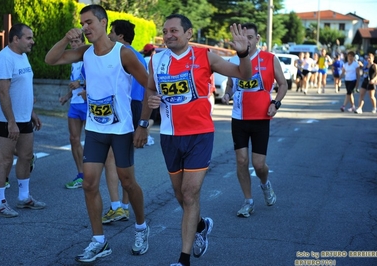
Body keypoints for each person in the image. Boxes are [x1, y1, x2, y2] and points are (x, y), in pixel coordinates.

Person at [134, 14, 252, 266]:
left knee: (189, 194)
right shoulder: (157, 58)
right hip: (169, 136)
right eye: (165, 31)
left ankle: (183, 259)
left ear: (189, 34)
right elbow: (151, 90)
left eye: (174, 30)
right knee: (180, 195)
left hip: (199, 135)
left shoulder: (204, 56)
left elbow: (243, 74)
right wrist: (144, 122)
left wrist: (244, 54)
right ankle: (200, 225)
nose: (168, 35)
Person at [45, 5, 149, 263]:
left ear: (103, 22)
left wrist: (143, 124)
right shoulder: (85, 53)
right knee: (90, 183)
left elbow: (149, 85)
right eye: (82, 23)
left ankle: (140, 227)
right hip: (95, 129)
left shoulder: (123, 54)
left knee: (128, 182)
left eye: (89, 22)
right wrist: (65, 39)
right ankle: (99, 241)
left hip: (121, 129)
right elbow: (51, 59)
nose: (85, 27)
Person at [222, 22, 287, 219]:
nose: (246, 41)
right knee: (241, 161)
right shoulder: (235, 60)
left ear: (257, 39)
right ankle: (248, 201)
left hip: (261, 118)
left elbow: (283, 84)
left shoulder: (269, 59)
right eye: (242, 37)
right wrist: (226, 95)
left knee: (258, 165)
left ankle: (265, 184)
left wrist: (275, 103)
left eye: (250, 37)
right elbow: (231, 86)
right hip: (239, 117)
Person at [0, 23, 46, 218]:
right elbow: (3, 92)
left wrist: (31, 112)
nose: (32, 41)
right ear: (15, 39)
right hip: (7, 118)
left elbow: (23, 90)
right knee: (4, 159)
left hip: (23, 116)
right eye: (28, 38)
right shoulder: (4, 58)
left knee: (26, 156)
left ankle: (23, 198)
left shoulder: (23, 56)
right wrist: (11, 121)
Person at [100, 19, 149, 224]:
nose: (109, 36)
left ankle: (116, 206)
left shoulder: (119, 55)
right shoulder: (139, 57)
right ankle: (125, 206)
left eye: (111, 32)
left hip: (123, 107)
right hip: (135, 107)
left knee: (110, 159)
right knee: (126, 160)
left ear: (120, 37)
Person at [58, 35, 87, 189]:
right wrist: (66, 97)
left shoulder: (90, 57)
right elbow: (74, 84)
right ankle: (81, 175)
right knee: (74, 139)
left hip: (88, 104)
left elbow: (100, 79)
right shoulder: (73, 61)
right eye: (72, 42)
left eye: (77, 41)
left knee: (92, 142)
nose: (74, 44)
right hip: (75, 104)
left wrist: (81, 83)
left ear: (83, 43)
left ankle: (90, 174)